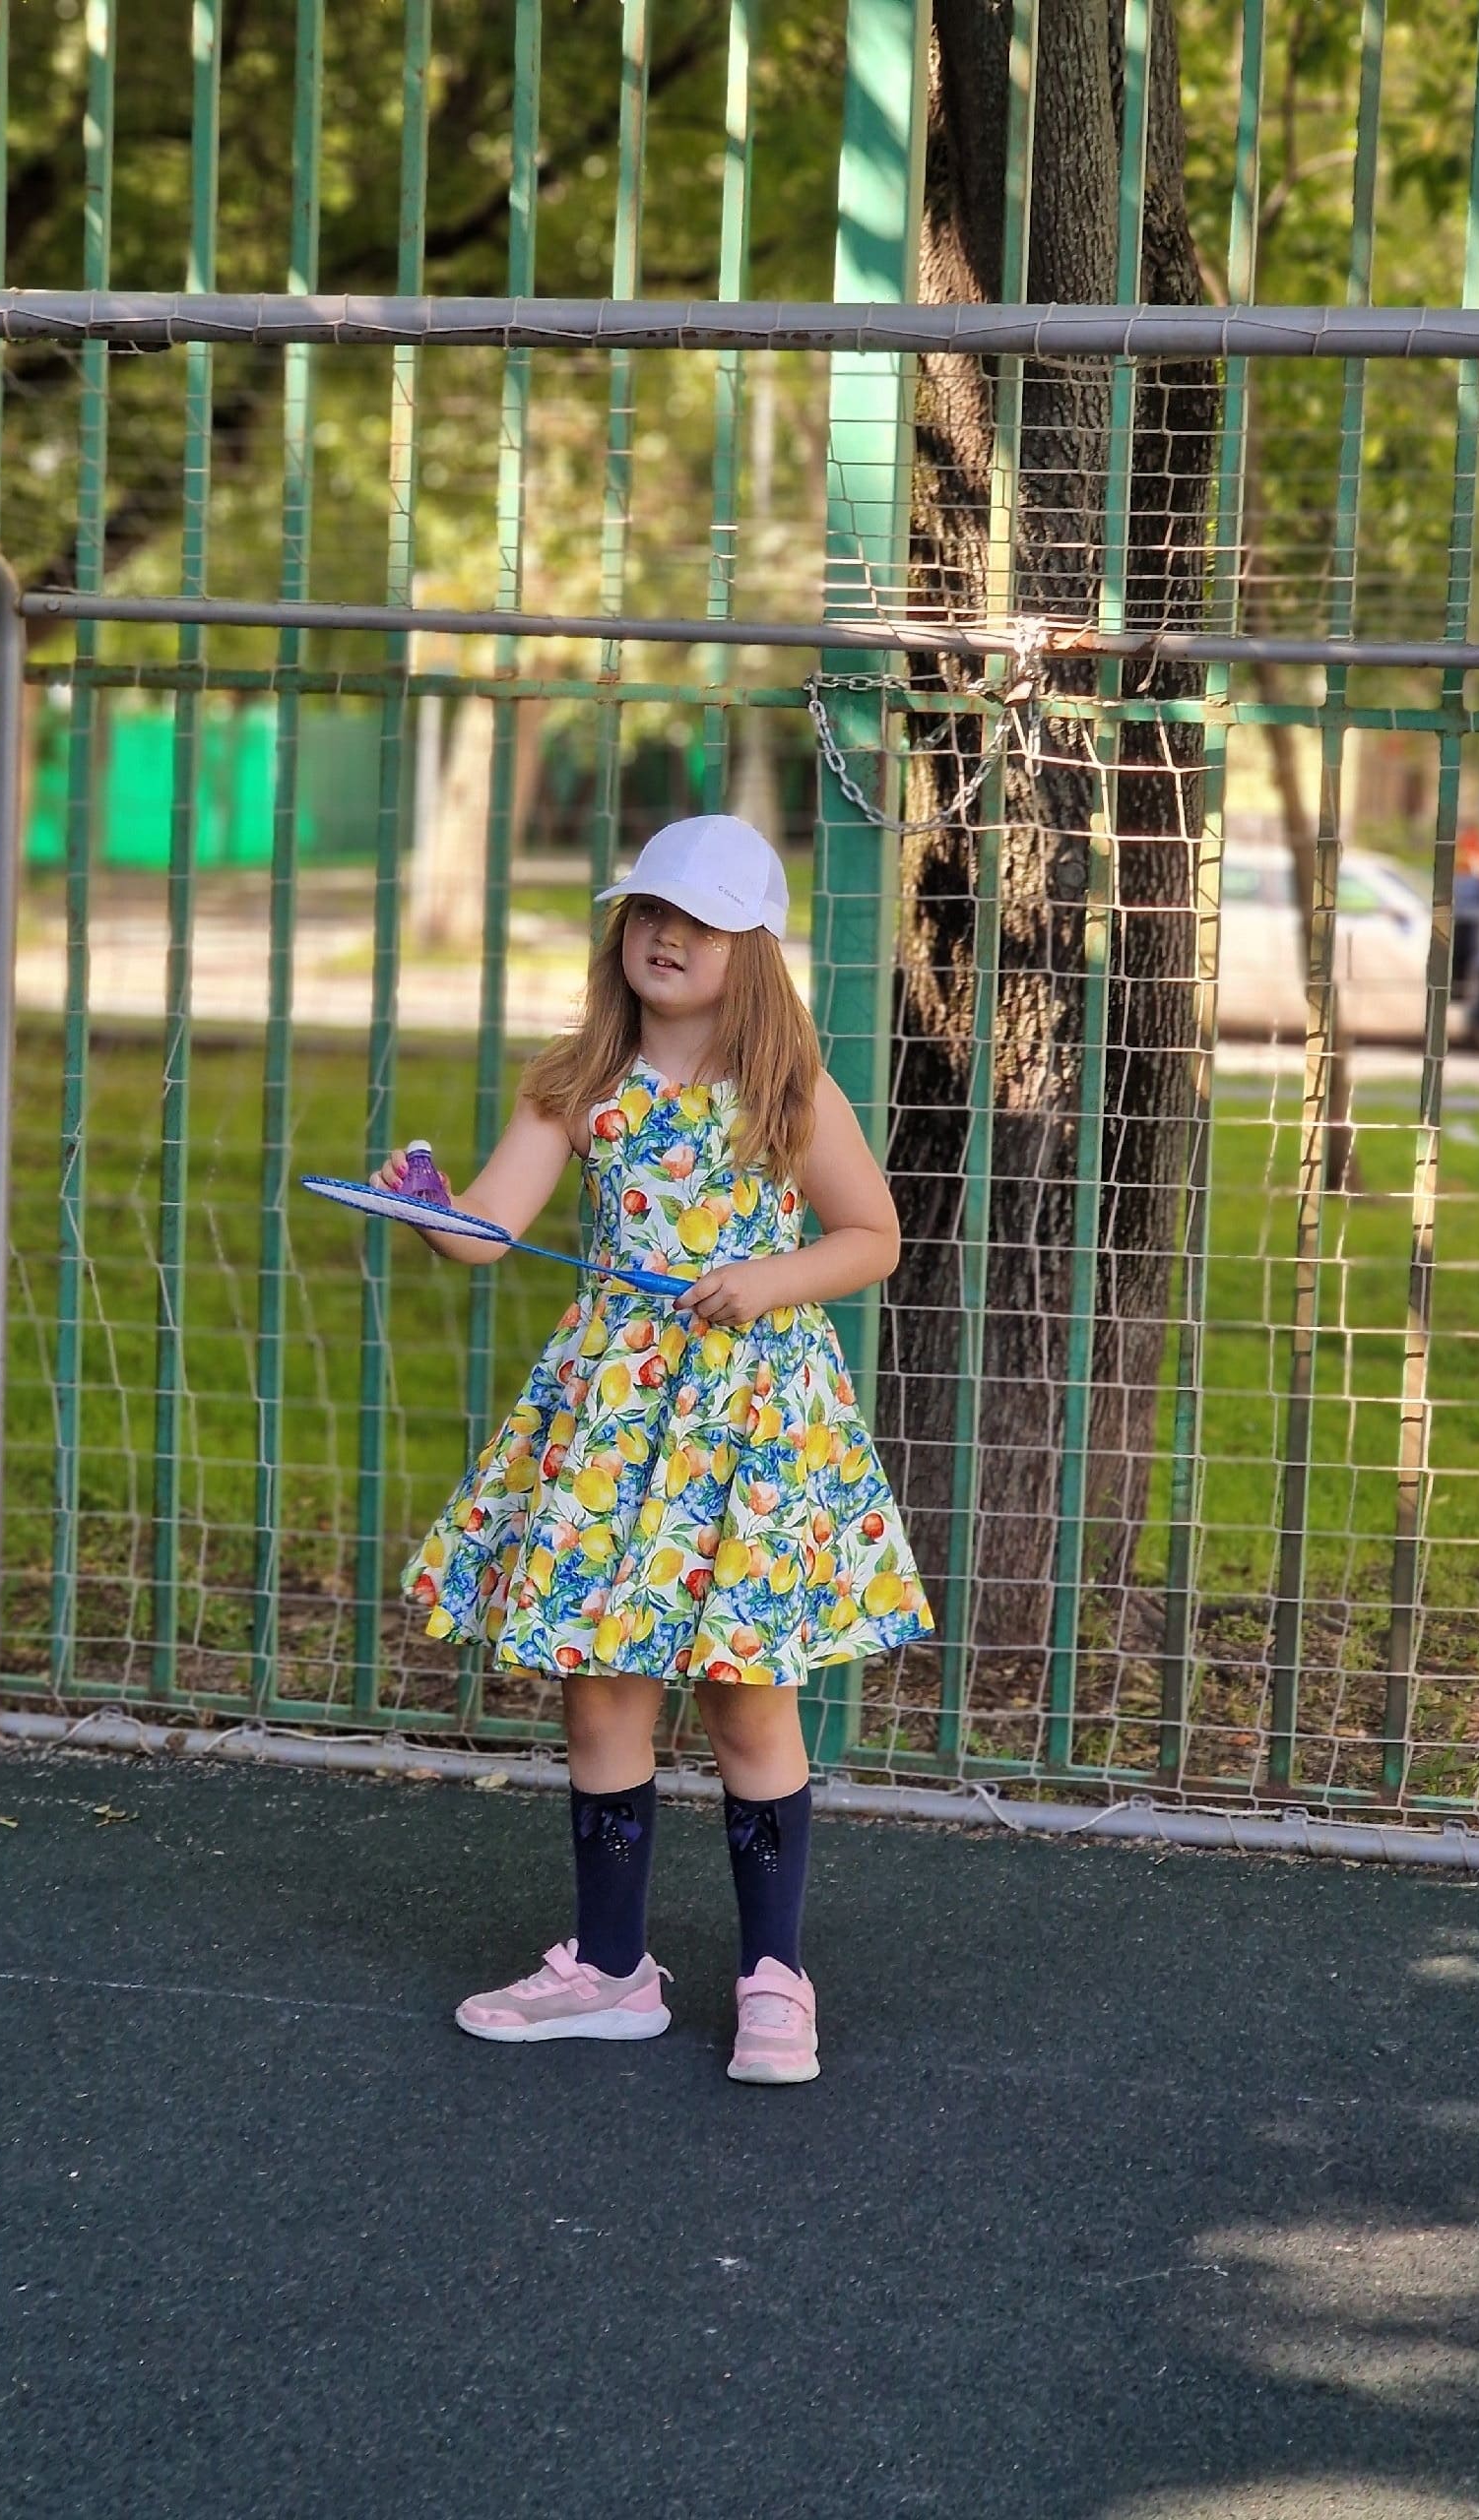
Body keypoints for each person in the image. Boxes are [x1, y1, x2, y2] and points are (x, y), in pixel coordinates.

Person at [378, 816, 932, 2085]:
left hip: (749, 1431)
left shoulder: (791, 1097)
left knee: (747, 1702)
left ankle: (774, 1983)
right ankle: (611, 1973)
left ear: (755, 952)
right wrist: (421, 1211)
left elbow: (872, 1237)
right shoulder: (575, 1086)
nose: (664, 935)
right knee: (603, 1689)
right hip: (613, 1427)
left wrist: (768, 1277)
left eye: (697, 921)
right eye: (644, 913)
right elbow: (485, 1234)